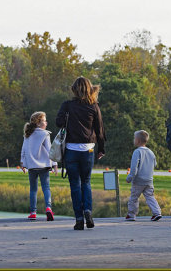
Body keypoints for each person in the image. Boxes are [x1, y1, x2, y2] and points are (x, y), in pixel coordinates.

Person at [56, 76, 106, 230]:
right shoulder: (94, 106)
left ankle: (78, 218)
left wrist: (66, 118)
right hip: (88, 149)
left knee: (75, 185)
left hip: (71, 149)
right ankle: (88, 211)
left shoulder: (67, 105)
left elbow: (59, 123)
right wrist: (101, 148)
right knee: (86, 182)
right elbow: (100, 130)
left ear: (74, 90)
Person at [21, 111, 58, 221]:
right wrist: (55, 164)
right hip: (44, 166)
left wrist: (22, 163)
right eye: (44, 121)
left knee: (33, 189)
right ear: (38, 123)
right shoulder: (45, 134)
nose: (46, 123)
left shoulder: (27, 134)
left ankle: (33, 212)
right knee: (46, 188)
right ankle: (48, 207)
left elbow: (23, 150)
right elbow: (50, 150)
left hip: (32, 166)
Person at [125, 130, 162, 222]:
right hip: (149, 180)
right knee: (150, 196)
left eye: (134, 139)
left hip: (138, 180)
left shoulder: (137, 152)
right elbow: (155, 164)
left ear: (137, 140)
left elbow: (134, 167)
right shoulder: (151, 152)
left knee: (134, 197)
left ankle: (131, 215)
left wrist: (130, 177)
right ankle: (157, 212)